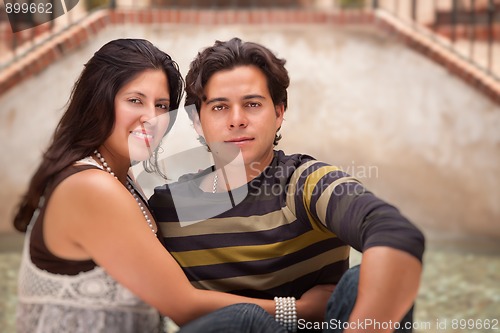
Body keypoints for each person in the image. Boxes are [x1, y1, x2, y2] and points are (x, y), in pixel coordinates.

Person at [12, 38, 334, 333]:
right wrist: (302, 310)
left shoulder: (123, 180)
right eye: (135, 100)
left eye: (162, 105)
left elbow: (230, 199)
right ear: (99, 101)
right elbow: (185, 306)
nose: (150, 118)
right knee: (244, 320)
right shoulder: (91, 186)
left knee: (354, 286)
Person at [149, 37, 426, 332]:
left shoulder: (303, 182)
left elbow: (396, 233)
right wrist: (298, 311)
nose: (237, 120)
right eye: (219, 107)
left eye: (252, 104)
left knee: (363, 281)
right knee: (245, 320)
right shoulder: (169, 208)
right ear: (197, 122)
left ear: (279, 113)